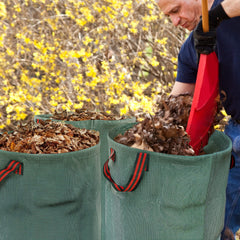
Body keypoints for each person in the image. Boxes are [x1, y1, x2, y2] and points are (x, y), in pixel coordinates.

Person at [155, 0, 240, 239]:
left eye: (176, 10)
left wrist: (215, 17)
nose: (175, 21)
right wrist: (149, 137)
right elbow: (175, 106)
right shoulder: (193, 47)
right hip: (236, 136)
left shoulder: (229, 6)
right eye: (168, 16)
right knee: (212, 227)